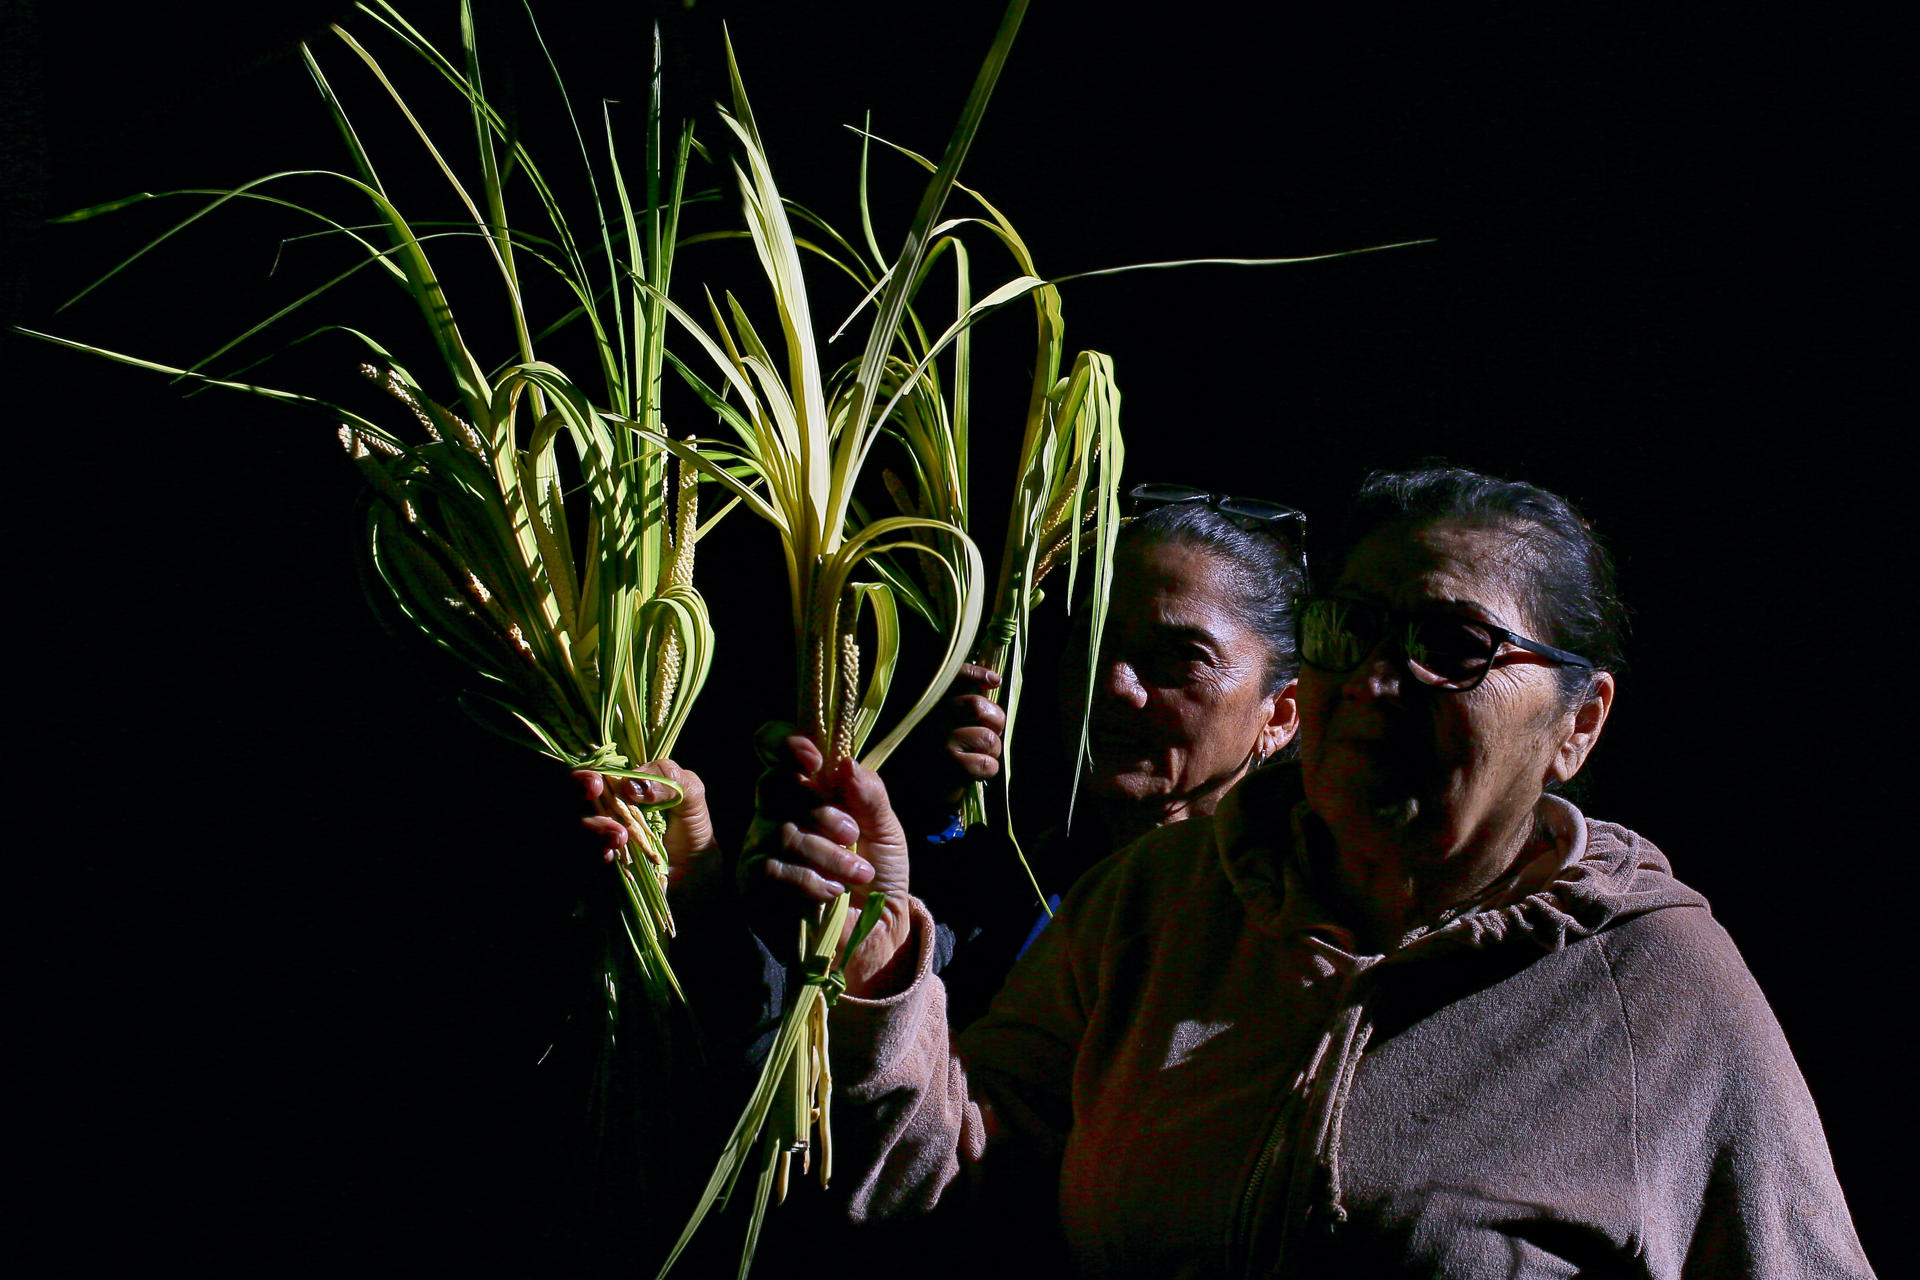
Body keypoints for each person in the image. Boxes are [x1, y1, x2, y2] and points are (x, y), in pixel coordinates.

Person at [744, 466, 1876, 1277]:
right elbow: (940, 1189)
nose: (1378, 683)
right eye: (1351, 632)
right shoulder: (1157, 905)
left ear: (1579, 723)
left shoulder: (1656, 987)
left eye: (1452, 646)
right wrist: (885, 956)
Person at [890, 487, 1309, 1025]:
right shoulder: (1002, 899)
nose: (1113, 684)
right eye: (1094, 643)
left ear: (1278, 717)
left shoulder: (1300, 937)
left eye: (1182, 658)